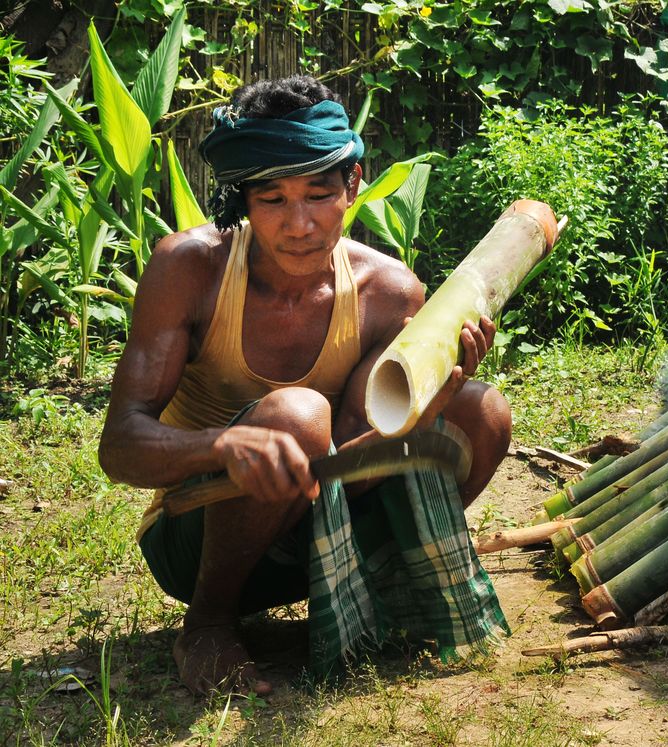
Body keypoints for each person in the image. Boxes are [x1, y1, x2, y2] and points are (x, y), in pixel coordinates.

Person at [98, 76, 512, 696]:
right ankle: (208, 624)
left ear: (353, 183)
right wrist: (222, 447)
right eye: (272, 200)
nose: (298, 224)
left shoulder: (389, 293)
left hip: (317, 534)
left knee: (484, 412)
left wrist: (420, 421)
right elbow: (120, 447)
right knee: (297, 414)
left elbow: (343, 474)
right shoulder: (190, 267)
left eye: (318, 194)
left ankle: (375, 592)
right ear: (243, 199)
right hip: (197, 541)